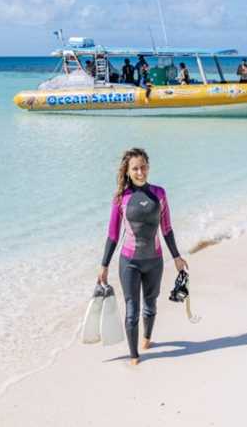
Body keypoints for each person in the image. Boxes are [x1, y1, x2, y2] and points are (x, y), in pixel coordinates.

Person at [99, 148, 188, 365]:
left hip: (155, 260)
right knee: (132, 310)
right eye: (135, 168)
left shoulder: (160, 193)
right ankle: (134, 356)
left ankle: (147, 339)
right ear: (128, 172)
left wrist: (176, 256)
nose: (140, 172)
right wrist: (104, 265)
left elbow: (166, 229)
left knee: (151, 305)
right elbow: (112, 234)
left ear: (148, 166)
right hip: (129, 262)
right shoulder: (121, 198)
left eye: (143, 167)